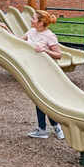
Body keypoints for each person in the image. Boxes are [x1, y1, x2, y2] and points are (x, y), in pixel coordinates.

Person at [22, 9, 65, 140]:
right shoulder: (31, 32)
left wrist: (45, 50)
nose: (31, 20)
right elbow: (16, 41)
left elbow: (59, 55)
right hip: (34, 69)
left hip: (47, 71)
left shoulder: (49, 36)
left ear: (41, 23)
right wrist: (4, 28)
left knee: (46, 99)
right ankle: (45, 128)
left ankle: (54, 125)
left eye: (34, 18)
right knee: (38, 98)